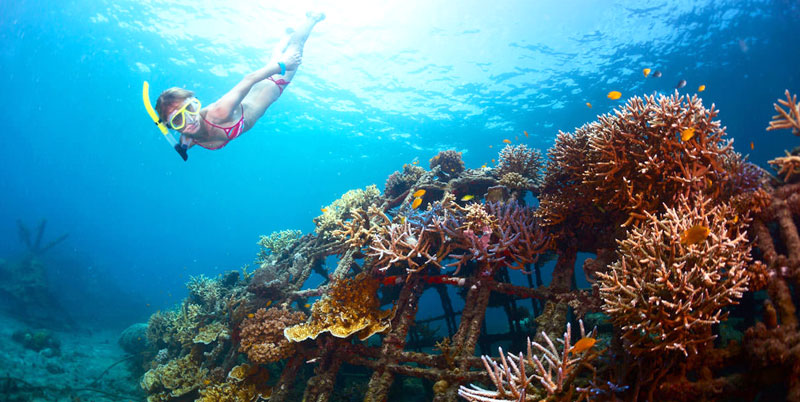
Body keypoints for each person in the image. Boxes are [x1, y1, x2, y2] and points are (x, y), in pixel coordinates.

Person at [152, 12, 325, 158]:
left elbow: (249, 79)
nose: (190, 119)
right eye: (178, 119)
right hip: (261, 85)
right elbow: (188, 140)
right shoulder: (187, 138)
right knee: (275, 57)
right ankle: (284, 39)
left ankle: (312, 18)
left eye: (190, 109)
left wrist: (284, 65)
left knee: (296, 48)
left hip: (274, 83)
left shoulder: (220, 111)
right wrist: (184, 147)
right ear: (172, 127)